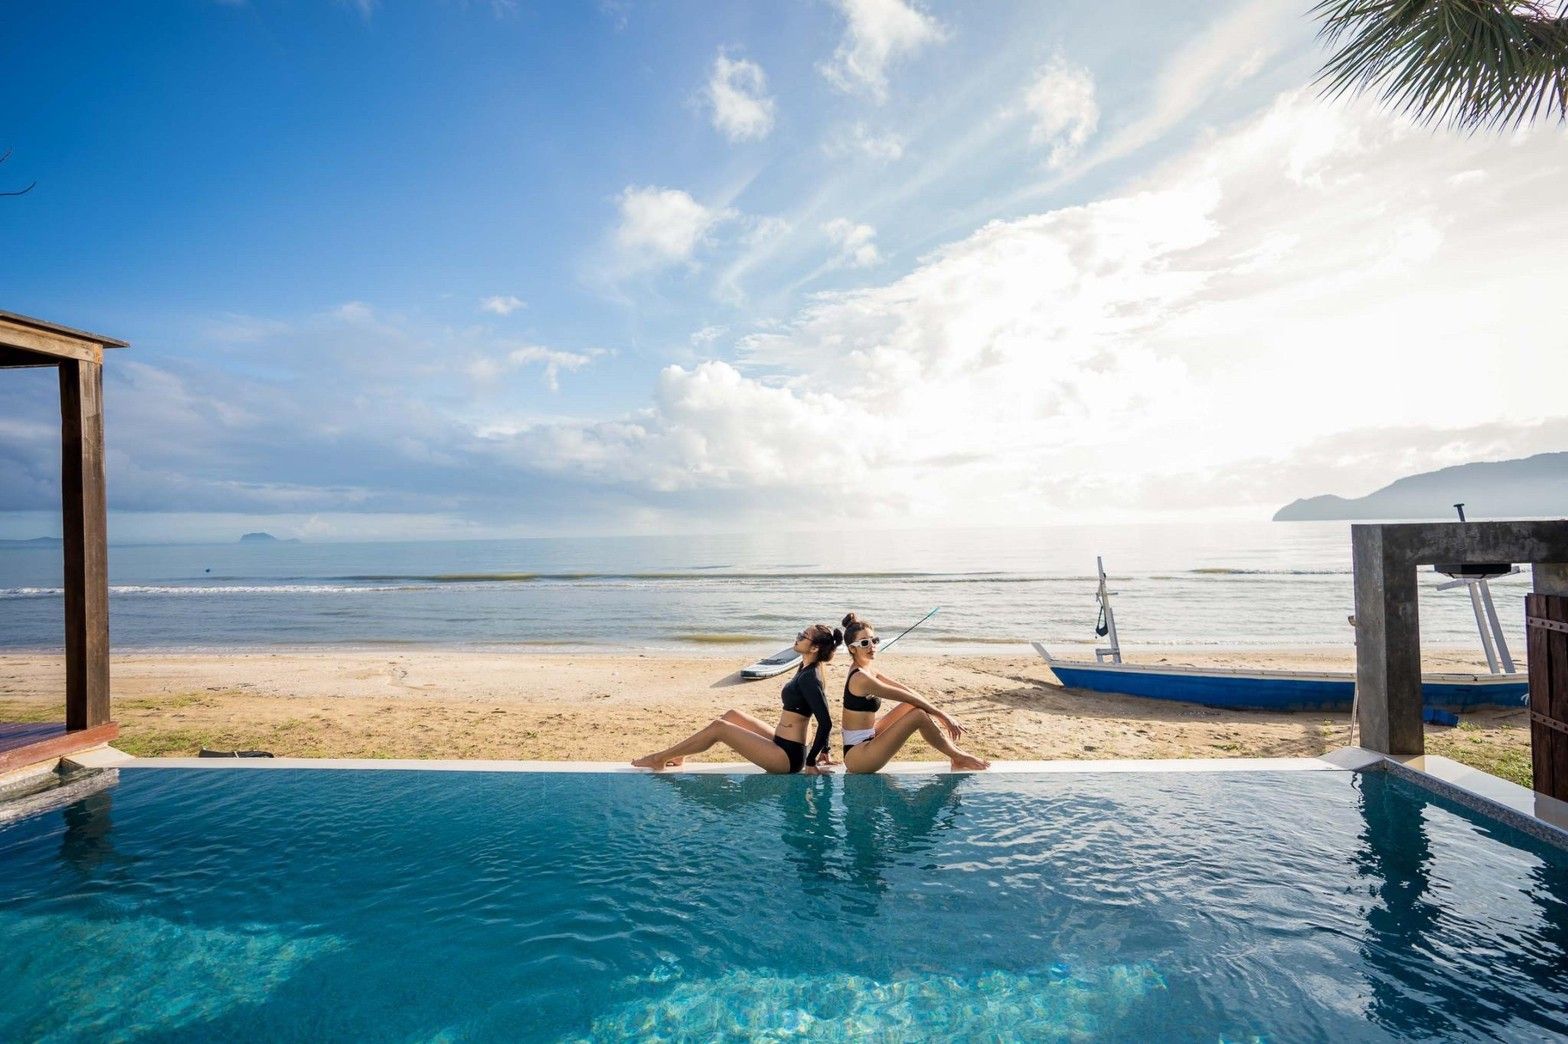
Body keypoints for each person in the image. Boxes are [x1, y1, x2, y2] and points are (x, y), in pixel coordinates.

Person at [632, 624, 839, 773]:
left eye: (803, 636)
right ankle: (679, 755)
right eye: (800, 633)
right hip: (783, 741)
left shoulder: (810, 677)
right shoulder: (806, 665)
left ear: (814, 648)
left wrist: (811, 761)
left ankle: (659, 759)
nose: (798, 637)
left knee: (719, 728)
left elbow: (826, 721)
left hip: (787, 758)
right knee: (732, 715)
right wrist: (825, 750)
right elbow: (821, 707)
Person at [838, 612, 989, 773]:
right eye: (864, 643)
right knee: (918, 715)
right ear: (852, 648)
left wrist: (939, 713)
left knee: (912, 706)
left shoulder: (868, 670)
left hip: (869, 737)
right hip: (858, 757)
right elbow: (905, 696)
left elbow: (908, 691)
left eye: (874, 640)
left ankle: (956, 754)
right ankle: (958, 757)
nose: (872, 646)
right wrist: (943, 716)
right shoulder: (861, 678)